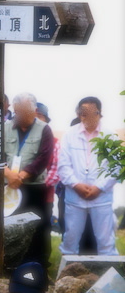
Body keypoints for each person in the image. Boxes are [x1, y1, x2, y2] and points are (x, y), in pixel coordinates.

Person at [58, 97, 118, 256]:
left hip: (101, 198)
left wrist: (99, 187)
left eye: (93, 113)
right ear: (79, 114)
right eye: (84, 114)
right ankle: (65, 277)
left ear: (100, 113)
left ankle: (111, 278)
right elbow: (63, 166)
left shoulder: (110, 136)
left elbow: (116, 167)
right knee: (70, 240)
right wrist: (76, 185)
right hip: (75, 197)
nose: (88, 117)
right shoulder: (69, 135)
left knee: (106, 243)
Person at [4, 93, 54, 272]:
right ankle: (12, 264)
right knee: (12, 227)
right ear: (14, 111)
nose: (23, 117)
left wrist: (22, 176)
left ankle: (37, 266)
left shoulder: (44, 129)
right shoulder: (5, 128)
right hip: (8, 187)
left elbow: (44, 158)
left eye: (27, 113)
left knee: (37, 228)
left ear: (35, 111)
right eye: (19, 113)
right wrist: (8, 174)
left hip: (34, 187)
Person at [36, 103, 60, 228]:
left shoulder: (54, 142)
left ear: (46, 120)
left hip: (45, 196)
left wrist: (36, 185)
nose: (36, 119)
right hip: (20, 195)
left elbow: (56, 171)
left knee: (42, 232)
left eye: (39, 116)